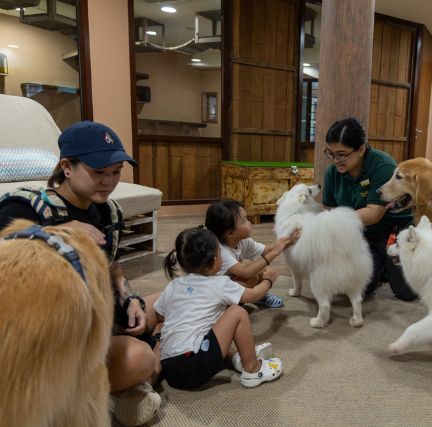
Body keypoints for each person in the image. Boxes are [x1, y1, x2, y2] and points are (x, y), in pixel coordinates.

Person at [0, 121, 161, 427]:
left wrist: (131, 300)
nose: (109, 181)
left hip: (100, 321)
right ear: (67, 167)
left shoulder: (109, 212)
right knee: (142, 358)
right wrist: (52, 233)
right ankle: (129, 388)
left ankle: (132, 384)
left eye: (115, 172)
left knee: (164, 303)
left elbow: (111, 265)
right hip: (54, 338)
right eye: (99, 172)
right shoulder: (24, 207)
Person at [156, 227, 283, 389]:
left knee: (207, 327)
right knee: (236, 313)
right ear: (215, 259)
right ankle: (253, 369)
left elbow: (160, 315)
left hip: (170, 368)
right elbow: (253, 295)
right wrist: (268, 280)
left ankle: (237, 358)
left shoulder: (173, 286)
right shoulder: (220, 283)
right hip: (193, 366)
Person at [322, 117, 417, 301]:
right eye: (331, 153)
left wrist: (333, 219)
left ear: (361, 149)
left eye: (342, 154)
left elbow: (374, 213)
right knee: (360, 288)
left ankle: (394, 264)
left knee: (406, 293)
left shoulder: (382, 165)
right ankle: (381, 266)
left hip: (394, 230)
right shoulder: (332, 173)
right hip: (363, 234)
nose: (336, 160)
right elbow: (329, 208)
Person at [204, 199, 297, 308]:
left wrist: (290, 241)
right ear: (230, 233)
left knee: (259, 269)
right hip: (214, 296)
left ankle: (260, 295)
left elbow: (266, 250)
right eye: (244, 221)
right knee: (253, 275)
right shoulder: (220, 251)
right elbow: (245, 272)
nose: (249, 223)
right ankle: (233, 305)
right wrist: (268, 279)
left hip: (228, 282)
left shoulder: (242, 241)